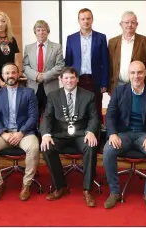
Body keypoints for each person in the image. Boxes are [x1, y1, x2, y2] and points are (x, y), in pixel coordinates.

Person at [102, 61, 146, 212]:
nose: (136, 76)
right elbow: (110, 116)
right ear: (128, 75)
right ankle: (114, 192)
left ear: (145, 73)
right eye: (132, 73)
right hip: (123, 134)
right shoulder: (119, 91)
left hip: (145, 135)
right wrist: (112, 133)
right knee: (108, 150)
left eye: (139, 72)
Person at [40, 67, 100, 207]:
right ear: (60, 80)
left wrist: (91, 131)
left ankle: (87, 190)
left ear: (77, 79)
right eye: (66, 78)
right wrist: (46, 135)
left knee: (91, 146)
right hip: (60, 134)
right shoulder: (53, 96)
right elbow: (47, 117)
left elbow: (94, 118)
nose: (69, 81)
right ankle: (61, 187)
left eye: (72, 77)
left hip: (81, 134)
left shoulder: (88, 95)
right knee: (47, 147)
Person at [0, 63, 39, 202]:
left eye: (13, 72)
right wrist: (3, 133)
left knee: (34, 148)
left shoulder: (29, 92)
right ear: (2, 76)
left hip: (24, 132)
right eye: (7, 73)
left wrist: (21, 133)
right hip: (3, 133)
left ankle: (26, 185)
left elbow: (33, 116)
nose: (10, 76)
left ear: (18, 74)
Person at [65, 8, 109, 119]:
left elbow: (105, 62)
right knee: (78, 109)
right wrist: (68, 81)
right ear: (78, 21)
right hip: (77, 80)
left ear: (92, 20)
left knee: (96, 109)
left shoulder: (101, 38)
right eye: (83, 19)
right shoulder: (71, 39)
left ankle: (96, 134)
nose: (86, 21)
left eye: (88, 18)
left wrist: (104, 83)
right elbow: (68, 63)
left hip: (95, 80)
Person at [23, 20, 64, 119]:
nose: (41, 32)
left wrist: (44, 76)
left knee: (51, 116)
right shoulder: (28, 48)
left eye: (44, 30)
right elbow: (25, 66)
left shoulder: (56, 47)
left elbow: (60, 65)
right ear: (35, 32)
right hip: (33, 87)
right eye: (38, 30)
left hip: (50, 87)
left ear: (48, 32)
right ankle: (34, 134)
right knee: (32, 116)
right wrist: (36, 76)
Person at [108, 11, 146, 94]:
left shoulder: (145, 41)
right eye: (126, 22)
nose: (129, 25)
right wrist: (108, 86)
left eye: (133, 22)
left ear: (137, 24)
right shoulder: (112, 42)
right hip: (118, 85)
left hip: (138, 85)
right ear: (121, 24)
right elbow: (109, 65)